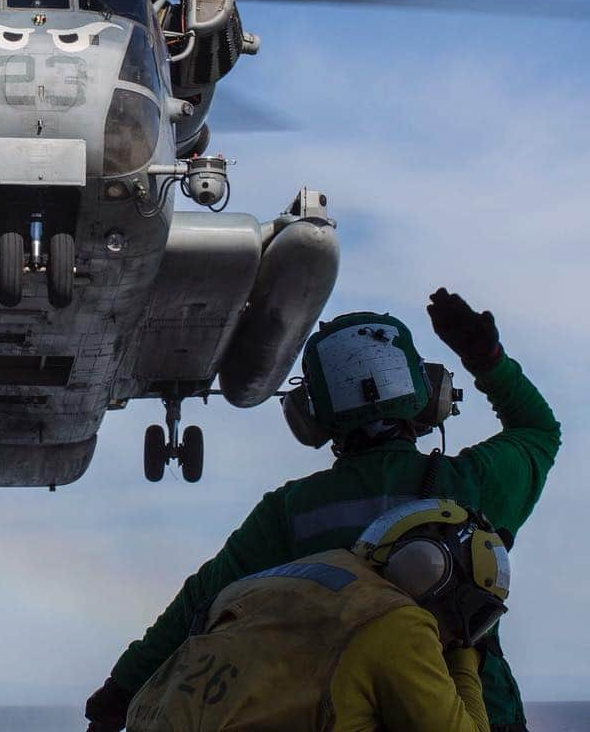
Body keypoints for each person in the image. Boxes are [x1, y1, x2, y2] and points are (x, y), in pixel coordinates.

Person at [85, 290, 560, 732]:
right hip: (474, 710)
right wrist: (487, 359)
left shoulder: (289, 513)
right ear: (429, 390)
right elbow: (540, 429)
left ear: (308, 412)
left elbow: (201, 602)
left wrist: (120, 692)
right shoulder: (475, 483)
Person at [124, 498, 509, 731]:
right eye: (470, 616)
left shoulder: (287, 578)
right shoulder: (396, 621)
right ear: (429, 571)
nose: (458, 634)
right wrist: (466, 656)